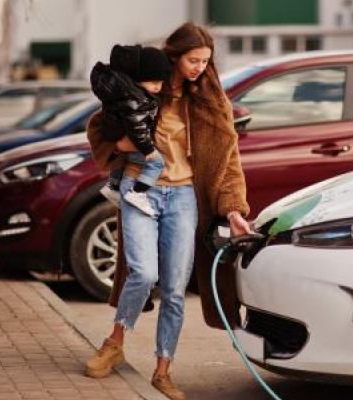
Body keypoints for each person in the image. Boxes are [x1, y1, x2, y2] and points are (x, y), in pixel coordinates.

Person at [84, 22, 253, 400]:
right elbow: (99, 126)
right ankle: (115, 341)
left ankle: (163, 370)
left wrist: (234, 209)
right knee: (142, 273)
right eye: (193, 60)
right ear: (175, 57)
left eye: (205, 62)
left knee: (175, 289)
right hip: (139, 189)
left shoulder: (210, 101)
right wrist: (121, 144)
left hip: (183, 198)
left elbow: (229, 163)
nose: (199, 68)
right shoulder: (144, 85)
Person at [91, 44, 171, 217]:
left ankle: (112, 186)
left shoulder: (127, 93)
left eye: (161, 83)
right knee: (157, 163)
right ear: (139, 79)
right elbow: (137, 126)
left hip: (117, 134)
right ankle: (138, 193)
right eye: (154, 82)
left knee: (121, 160)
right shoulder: (138, 100)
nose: (159, 87)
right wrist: (148, 148)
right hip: (136, 143)